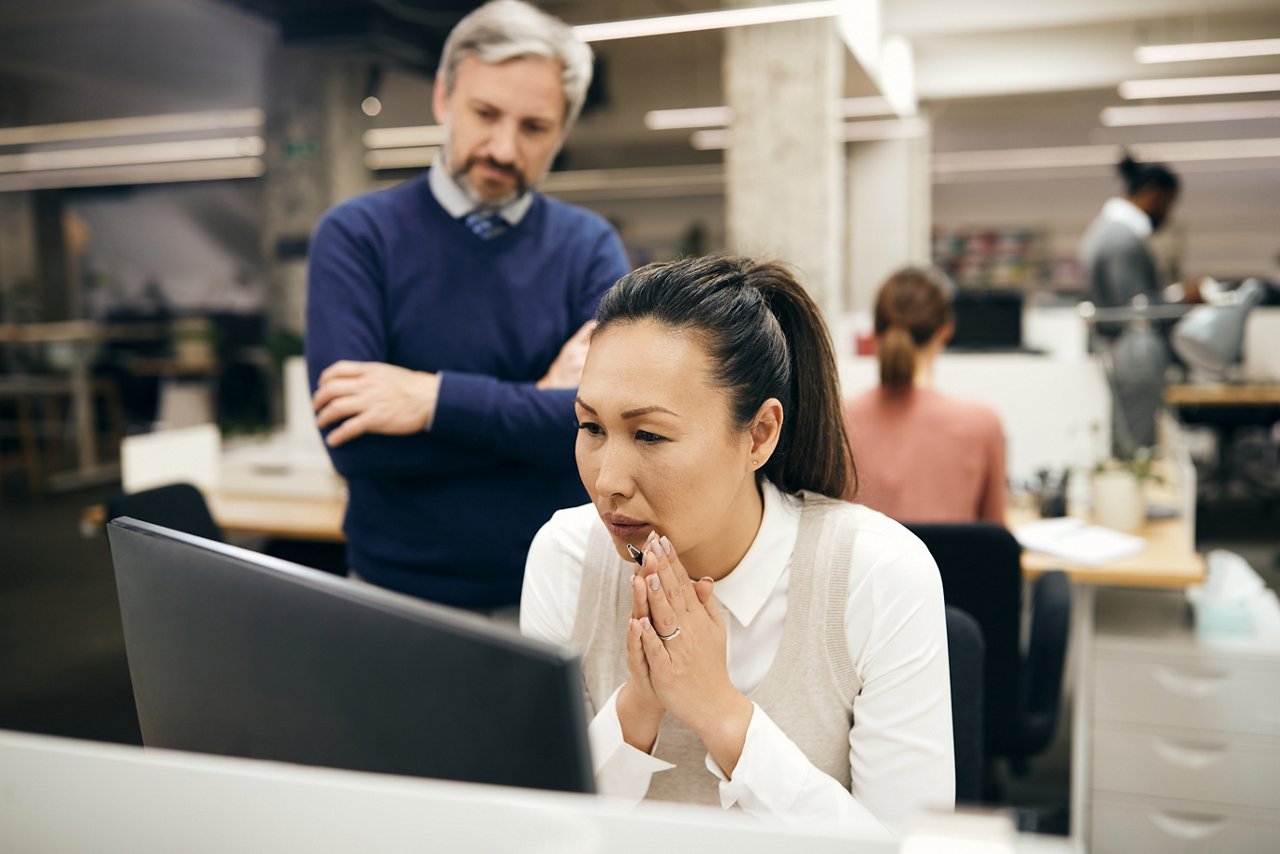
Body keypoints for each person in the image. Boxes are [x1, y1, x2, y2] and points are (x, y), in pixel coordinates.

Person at [521, 256, 954, 835]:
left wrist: (721, 713)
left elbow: (912, 847)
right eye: (591, 428)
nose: (608, 481)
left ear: (759, 434)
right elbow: (538, 833)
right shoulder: (567, 555)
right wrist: (638, 706)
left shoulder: (877, 572)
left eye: (649, 435)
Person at [306, 0, 629, 611]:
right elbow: (356, 445)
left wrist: (430, 400)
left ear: (560, 133)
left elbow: (606, 429)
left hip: (556, 595)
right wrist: (538, 400)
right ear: (442, 98)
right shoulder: (355, 236)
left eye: (534, 128)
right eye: (485, 114)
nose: (503, 149)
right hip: (395, 595)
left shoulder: (589, 247)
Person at [842, 267, 1006, 524]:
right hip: (952, 566)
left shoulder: (838, 420)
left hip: (862, 566)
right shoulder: (982, 425)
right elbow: (996, 542)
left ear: (874, 332)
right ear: (945, 331)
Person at [1079, 154, 1190, 453]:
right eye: (1169, 203)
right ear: (1154, 194)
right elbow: (1136, 308)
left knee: (1126, 438)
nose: (1168, 214)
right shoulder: (1122, 238)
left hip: (1119, 351)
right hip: (1133, 354)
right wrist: (1181, 298)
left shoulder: (1104, 230)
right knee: (1137, 445)